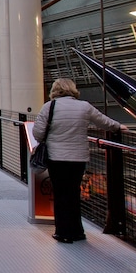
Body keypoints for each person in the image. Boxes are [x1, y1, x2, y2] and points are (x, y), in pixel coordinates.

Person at [32, 78, 128, 243]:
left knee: (61, 194)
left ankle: (63, 232)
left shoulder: (49, 107)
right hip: (78, 158)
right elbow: (103, 121)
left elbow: (38, 133)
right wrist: (118, 127)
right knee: (74, 192)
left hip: (57, 158)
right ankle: (78, 231)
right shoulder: (84, 106)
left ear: (55, 90)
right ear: (72, 89)